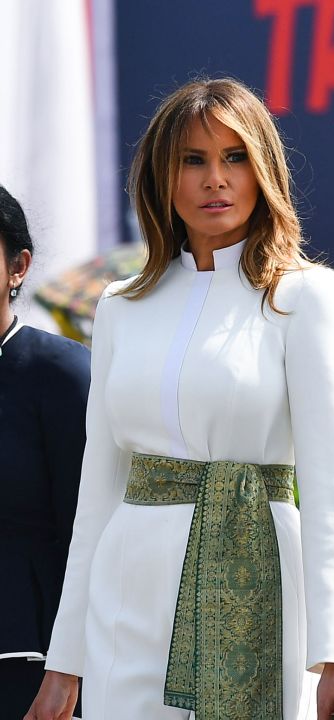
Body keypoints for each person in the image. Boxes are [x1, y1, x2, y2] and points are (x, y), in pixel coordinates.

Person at [26, 78, 334, 720]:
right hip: (127, 603)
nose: (216, 179)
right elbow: (97, 493)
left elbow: (330, 489)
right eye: (194, 160)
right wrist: (64, 663)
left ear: (263, 169)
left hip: (260, 583)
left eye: (235, 157)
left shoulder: (306, 295)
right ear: (163, 176)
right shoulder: (121, 306)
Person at [0, 185, 90, 719]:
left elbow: (87, 533)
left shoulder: (59, 372)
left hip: (26, 668)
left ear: (19, 266)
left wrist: (70, 670)